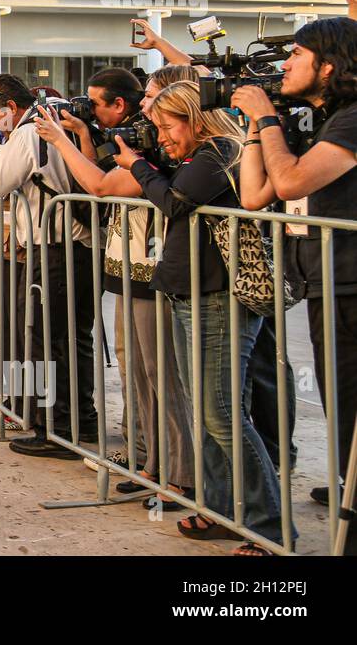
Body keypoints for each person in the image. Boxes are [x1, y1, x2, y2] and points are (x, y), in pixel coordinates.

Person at [115, 81, 290, 555]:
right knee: (209, 413)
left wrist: (136, 165)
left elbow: (173, 202)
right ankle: (220, 510)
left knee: (223, 415)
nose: (162, 136)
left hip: (217, 295)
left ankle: (269, 526)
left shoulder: (219, 152)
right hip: (190, 292)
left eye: (166, 126)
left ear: (193, 118)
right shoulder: (201, 155)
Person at [34, 67, 196, 504]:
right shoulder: (143, 148)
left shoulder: (163, 156)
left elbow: (100, 185)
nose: (144, 107)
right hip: (126, 269)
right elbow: (102, 172)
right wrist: (84, 136)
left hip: (154, 271)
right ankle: (149, 461)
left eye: (153, 99)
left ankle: (179, 474)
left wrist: (60, 140)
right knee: (135, 372)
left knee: (162, 377)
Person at [234, 15, 357, 539]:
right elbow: (253, 196)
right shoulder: (323, 119)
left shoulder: (352, 119)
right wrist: (254, 130)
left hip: (350, 287)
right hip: (325, 284)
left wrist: (267, 119)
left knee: (351, 421)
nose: (284, 64)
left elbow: (290, 182)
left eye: (298, 55)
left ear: (328, 66)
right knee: (342, 419)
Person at [0, 74, 97, 458]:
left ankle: (54, 427)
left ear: (10, 108)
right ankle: (80, 419)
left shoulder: (27, 133)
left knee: (45, 337)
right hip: (75, 244)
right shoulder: (47, 121)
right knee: (73, 336)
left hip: (54, 247)